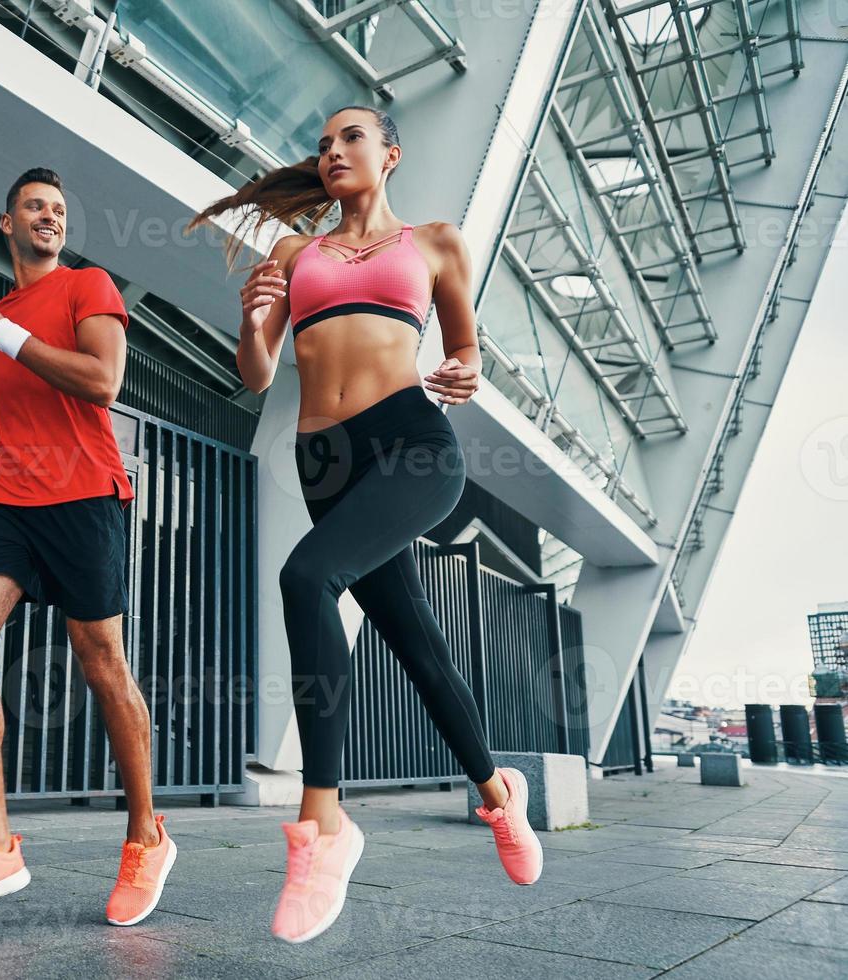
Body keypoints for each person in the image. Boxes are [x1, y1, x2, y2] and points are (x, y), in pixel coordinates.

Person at [187, 106, 543, 944]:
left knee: (305, 578)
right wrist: (249, 318)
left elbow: (464, 351)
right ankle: (499, 795)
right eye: (321, 144)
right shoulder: (292, 253)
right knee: (416, 644)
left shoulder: (436, 242)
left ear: (390, 154)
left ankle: (322, 824)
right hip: (324, 459)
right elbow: (257, 372)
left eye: (351, 138)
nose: (333, 151)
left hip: (411, 443)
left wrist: (463, 372)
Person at [0, 168, 176, 926]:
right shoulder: (3, 312)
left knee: (101, 662)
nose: (49, 217)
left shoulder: (86, 286)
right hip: (9, 496)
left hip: (84, 494)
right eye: (34, 206)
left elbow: (100, 382)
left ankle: (146, 837)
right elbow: (32, 398)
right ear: (6, 222)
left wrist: (2, 334)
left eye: (59, 210)